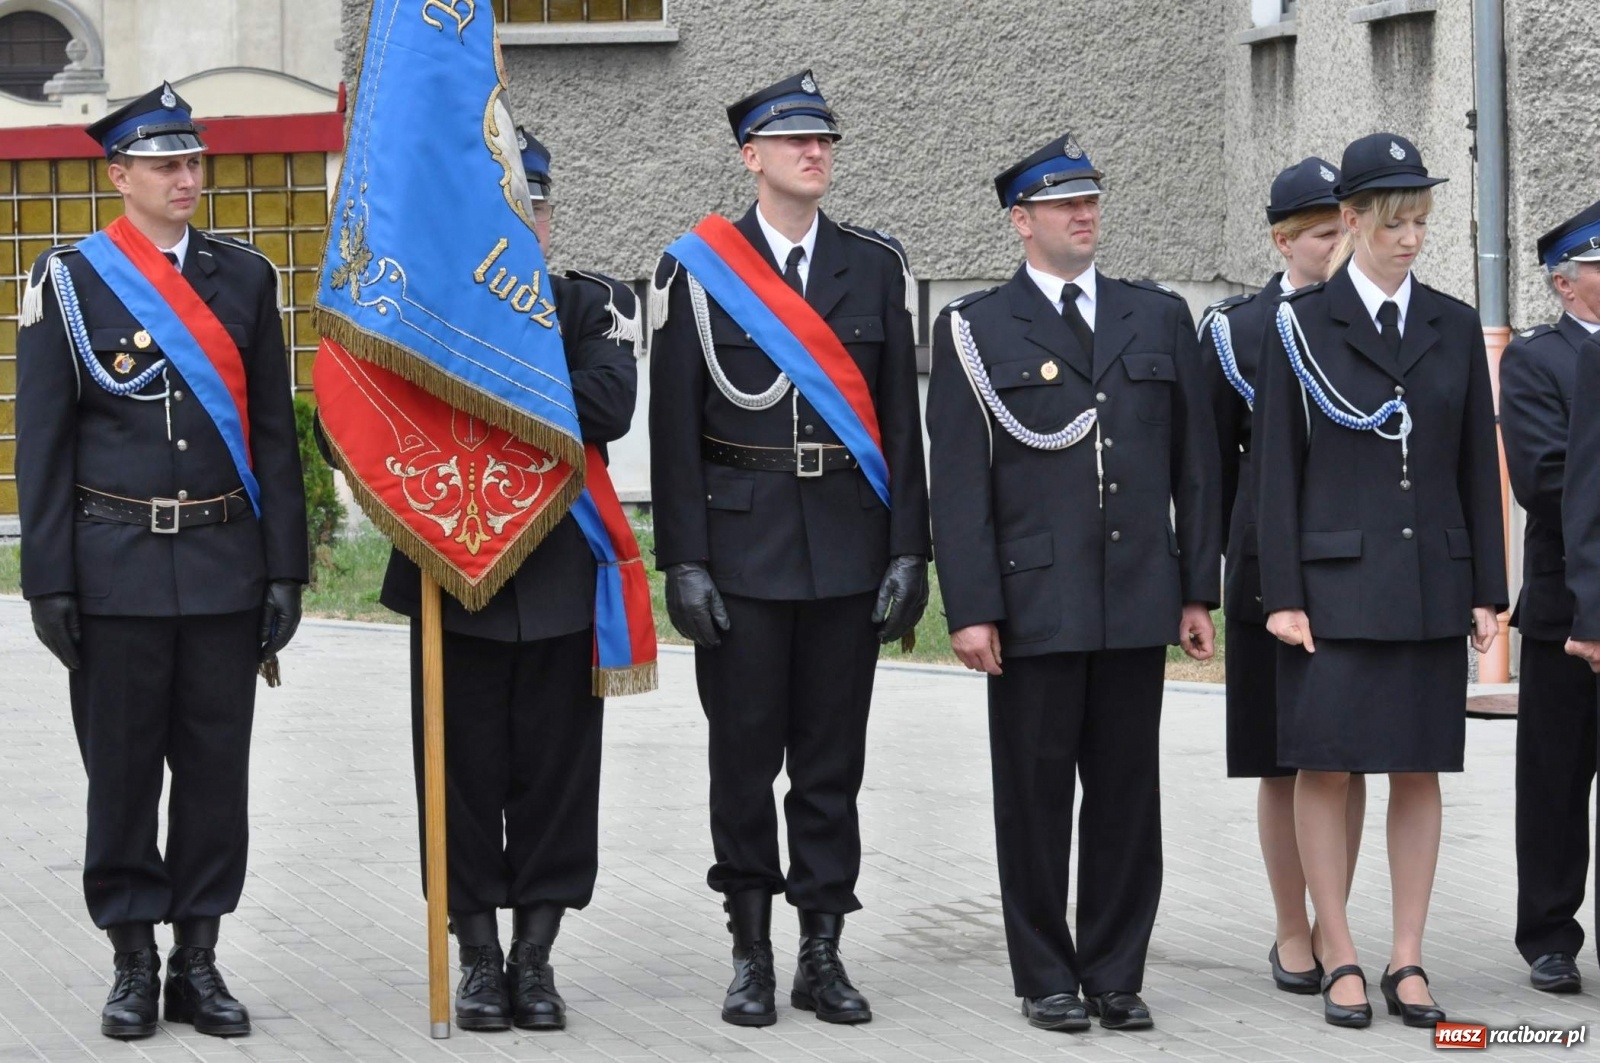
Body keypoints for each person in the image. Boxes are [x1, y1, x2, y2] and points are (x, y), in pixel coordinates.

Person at [13, 83, 308, 1039]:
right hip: (117, 570)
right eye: (165, 164)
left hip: (223, 567)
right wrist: (48, 579)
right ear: (121, 174)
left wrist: (285, 569)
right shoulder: (67, 281)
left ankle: (200, 959)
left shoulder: (245, 278)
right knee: (126, 775)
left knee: (218, 776)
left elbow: (272, 434)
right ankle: (133, 961)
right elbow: (44, 447)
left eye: (193, 161)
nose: (187, 177)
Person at [648, 70, 930, 1027]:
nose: (816, 153)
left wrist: (909, 549)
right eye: (794, 140)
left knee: (829, 762)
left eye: (824, 140)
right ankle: (749, 948)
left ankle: (821, 948)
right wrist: (681, 558)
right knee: (741, 759)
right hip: (741, 548)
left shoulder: (876, 266)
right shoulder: (698, 269)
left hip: (848, 547)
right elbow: (675, 428)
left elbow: (901, 420)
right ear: (751, 157)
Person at [925, 132, 1222, 1033]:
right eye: (1062, 203)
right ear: (1022, 221)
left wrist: (1195, 589)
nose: (1084, 213)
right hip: (1035, 601)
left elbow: (1195, 466)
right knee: (1035, 793)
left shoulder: (1157, 316)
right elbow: (960, 483)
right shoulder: (976, 328)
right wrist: (971, 607)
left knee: (1129, 794)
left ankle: (1117, 970)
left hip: (1137, 593)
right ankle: (1047, 973)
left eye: (1090, 199)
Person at [374, 129, 639, 1032]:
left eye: (538, 205)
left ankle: (536, 956)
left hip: (563, 574)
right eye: (508, 206)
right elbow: (389, 414)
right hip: (453, 572)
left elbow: (609, 405)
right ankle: (478, 955)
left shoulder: (593, 303)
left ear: (551, 218)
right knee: (460, 776)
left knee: (557, 780)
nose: (528, 220)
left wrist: (488, 368)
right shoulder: (423, 308)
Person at [1254, 133, 1507, 1029]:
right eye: (1396, 222)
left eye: (1422, 222)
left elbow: (1480, 461)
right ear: (1352, 219)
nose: (1411, 238)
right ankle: (1342, 953)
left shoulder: (1448, 319)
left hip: (1432, 580)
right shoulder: (1302, 326)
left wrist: (1489, 587)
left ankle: (1407, 956)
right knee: (1324, 765)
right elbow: (1275, 471)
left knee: (1418, 765)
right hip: (1334, 584)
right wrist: (1281, 592)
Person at [1198, 158, 1366, 994]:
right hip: (1269, 566)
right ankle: (1292, 928)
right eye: (1326, 233)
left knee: (1348, 751)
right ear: (1283, 240)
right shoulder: (1239, 330)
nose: (1342, 245)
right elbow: (1215, 467)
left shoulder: (1373, 317)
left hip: (1353, 563)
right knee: (1278, 757)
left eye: (1346, 228)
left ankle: (1338, 921)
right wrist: (1222, 565)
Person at [1502, 199, 1600, 994]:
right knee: (1558, 780)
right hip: (1567, 606)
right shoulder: (1538, 360)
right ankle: (1549, 934)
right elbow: (1546, 477)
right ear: (1566, 282)